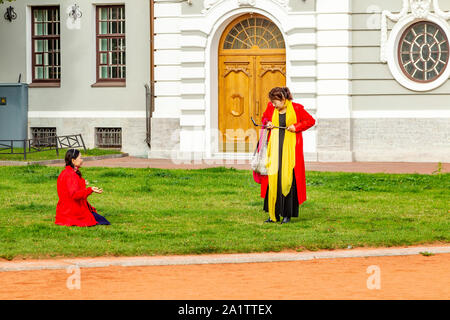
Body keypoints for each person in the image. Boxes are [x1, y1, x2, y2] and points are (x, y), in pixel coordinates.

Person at [260, 87, 316, 224]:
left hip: (290, 152)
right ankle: (273, 214)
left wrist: (296, 127)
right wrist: (268, 124)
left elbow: (310, 121)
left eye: (275, 102)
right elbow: (265, 119)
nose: (273, 105)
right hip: (274, 149)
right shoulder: (270, 107)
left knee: (288, 179)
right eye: (272, 102)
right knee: (273, 179)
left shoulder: (296, 108)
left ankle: (287, 214)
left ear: (283, 99)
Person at [55, 149, 110, 227]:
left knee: (98, 218)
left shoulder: (66, 172)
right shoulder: (71, 175)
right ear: (73, 160)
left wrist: (82, 183)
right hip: (71, 212)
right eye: (80, 158)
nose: (82, 160)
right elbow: (75, 195)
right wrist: (90, 189)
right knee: (102, 220)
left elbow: (70, 187)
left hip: (64, 211)